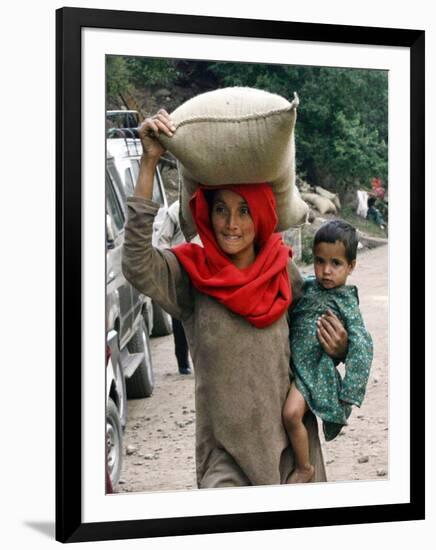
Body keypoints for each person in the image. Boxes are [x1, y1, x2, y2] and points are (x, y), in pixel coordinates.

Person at [122, 109, 348, 488]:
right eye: (222, 210)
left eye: (244, 210)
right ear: (207, 215)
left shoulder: (284, 271)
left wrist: (338, 349)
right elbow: (136, 263)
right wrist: (149, 163)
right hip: (223, 458)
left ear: (260, 215)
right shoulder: (189, 275)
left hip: (291, 454)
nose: (231, 223)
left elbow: (314, 344)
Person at [283, 220, 373, 483]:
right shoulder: (307, 286)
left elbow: (363, 345)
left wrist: (349, 393)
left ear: (351, 266)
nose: (325, 271)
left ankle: (304, 467)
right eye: (320, 261)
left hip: (311, 372)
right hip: (290, 364)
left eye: (336, 264)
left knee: (291, 415)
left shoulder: (346, 302)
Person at [156, 199, 192, 375]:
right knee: (180, 317)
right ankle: (183, 362)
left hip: (205, 269)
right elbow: (162, 241)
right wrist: (171, 265)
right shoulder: (175, 210)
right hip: (181, 270)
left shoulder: (208, 201)